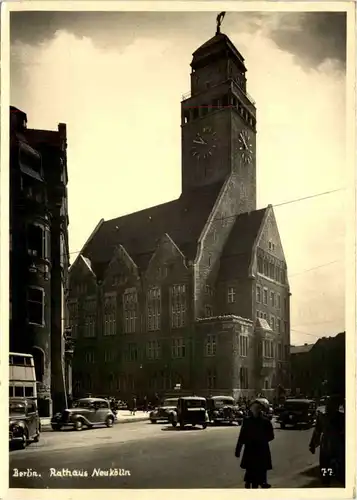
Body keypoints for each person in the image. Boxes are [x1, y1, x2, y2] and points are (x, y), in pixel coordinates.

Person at [235, 399, 275, 488]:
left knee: (261, 468)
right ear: (251, 410)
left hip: (261, 449)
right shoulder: (247, 421)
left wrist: (262, 440)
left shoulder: (266, 421)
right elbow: (242, 436)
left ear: (261, 409)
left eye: (258, 408)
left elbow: (271, 436)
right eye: (254, 408)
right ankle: (250, 482)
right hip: (251, 448)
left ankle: (262, 481)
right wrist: (238, 449)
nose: (256, 410)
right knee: (250, 468)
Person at [309, 395, 345, 486]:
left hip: (336, 445)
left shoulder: (341, 417)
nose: (328, 407)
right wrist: (313, 444)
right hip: (329, 446)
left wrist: (313, 444)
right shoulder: (323, 417)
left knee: (336, 467)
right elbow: (317, 431)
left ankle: (333, 479)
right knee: (326, 467)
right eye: (328, 405)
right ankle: (327, 481)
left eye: (331, 405)